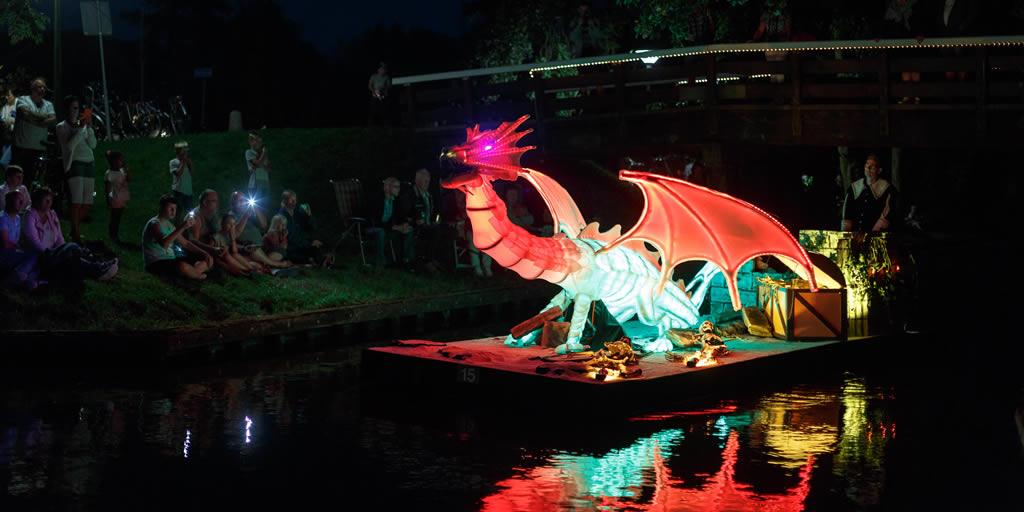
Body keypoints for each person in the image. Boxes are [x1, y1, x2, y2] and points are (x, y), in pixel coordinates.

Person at [21, 187, 117, 283]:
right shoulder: (30, 215)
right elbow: (33, 240)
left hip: (54, 253)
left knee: (71, 256)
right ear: (37, 200)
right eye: (46, 200)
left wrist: (63, 250)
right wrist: (53, 252)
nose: (49, 203)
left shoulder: (51, 214)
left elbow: (59, 237)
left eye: (50, 200)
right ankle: (99, 268)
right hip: (40, 256)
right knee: (73, 247)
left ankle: (99, 270)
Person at [55, 95, 98, 243]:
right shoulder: (62, 127)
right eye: (73, 107)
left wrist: (89, 129)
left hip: (89, 162)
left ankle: (74, 229)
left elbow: (93, 145)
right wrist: (80, 131)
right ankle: (76, 233)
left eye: (77, 108)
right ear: (67, 109)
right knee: (77, 201)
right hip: (75, 163)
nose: (76, 110)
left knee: (87, 203)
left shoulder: (83, 125)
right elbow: (68, 147)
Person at [142, 194, 212, 280]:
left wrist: (204, 253)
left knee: (205, 259)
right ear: (161, 207)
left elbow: (186, 243)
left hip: (171, 259)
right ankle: (196, 275)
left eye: (175, 208)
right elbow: (164, 243)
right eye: (170, 208)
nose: (173, 211)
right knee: (182, 266)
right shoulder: (154, 224)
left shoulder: (170, 225)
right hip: (156, 262)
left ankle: (190, 273)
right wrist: (182, 227)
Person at [11, 78, 56, 187]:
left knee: (29, 181)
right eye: (40, 87)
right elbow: (25, 115)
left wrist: (34, 119)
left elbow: (52, 120)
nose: (43, 89)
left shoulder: (48, 105)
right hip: (21, 148)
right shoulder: (22, 100)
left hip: (37, 149)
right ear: (32, 88)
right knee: (14, 180)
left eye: (44, 87)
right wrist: (43, 118)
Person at [228, 191, 290, 269]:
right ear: (232, 203)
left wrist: (256, 208)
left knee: (281, 248)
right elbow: (235, 233)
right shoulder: (230, 217)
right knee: (254, 249)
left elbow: (264, 225)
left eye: (244, 200)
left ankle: (263, 262)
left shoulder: (249, 214)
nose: (242, 203)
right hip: (248, 248)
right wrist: (245, 216)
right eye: (239, 201)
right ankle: (275, 264)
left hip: (262, 247)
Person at [842, 153, 900, 232]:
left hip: (875, 237)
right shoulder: (854, 187)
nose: (868, 168)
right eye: (867, 164)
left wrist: (873, 234)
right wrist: (847, 234)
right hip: (854, 236)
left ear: (879, 170)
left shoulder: (887, 189)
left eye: (872, 166)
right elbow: (847, 212)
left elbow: (887, 214)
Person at [365, 177, 414, 267]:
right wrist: (395, 227)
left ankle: (406, 260)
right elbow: (375, 221)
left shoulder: (395, 200)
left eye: (399, 187)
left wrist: (404, 224)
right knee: (381, 232)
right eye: (395, 187)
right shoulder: (376, 199)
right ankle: (380, 261)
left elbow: (402, 216)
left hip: (387, 228)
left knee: (409, 230)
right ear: (387, 187)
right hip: (372, 227)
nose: (398, 189)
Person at [277, 190, 331, 266]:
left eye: (295, 200)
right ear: (285, 201)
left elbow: (311, 227)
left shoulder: (298, 211)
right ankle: (314, 260)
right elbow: (291, 237)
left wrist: (309, 215)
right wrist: (309, 244)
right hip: (291, 247)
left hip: (302, 244)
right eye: (291, 200)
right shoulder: (281, 216)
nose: (294, 202)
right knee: (293, 255)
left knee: (317, 245)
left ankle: (320, 259)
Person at [0, 190, 41, 289]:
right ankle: (16, 277)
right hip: (3, 254)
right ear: (10, 201)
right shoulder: (2, 218)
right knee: (33, 256)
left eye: (23, 201)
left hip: (11, 252)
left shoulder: (18, 218)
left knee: (37, 258)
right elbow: (5, 243)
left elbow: (16, 241)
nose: (22, 203)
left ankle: (28, 280)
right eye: (19, 200)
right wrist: (19, 248)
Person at [751, 5, 792, 84]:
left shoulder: (784, 14)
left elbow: (788, 31)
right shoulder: (767, 14)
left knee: (777, 69)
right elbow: (760, 30)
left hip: (779, 44)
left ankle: (779, 91)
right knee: (775, 69)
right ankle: (778, 91)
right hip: (772, 45)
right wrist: (753, 39)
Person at [103, 150, 130, 243]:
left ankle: (115, 234)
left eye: (122, 161)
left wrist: (126, 170)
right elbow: (107, 188)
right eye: (120, 161)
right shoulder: (109, 173)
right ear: (113, 162)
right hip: (114, 199)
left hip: (122, 198)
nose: (121, 162)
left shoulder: (122, 171)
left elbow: (129, 179)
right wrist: (108, 199)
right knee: (114, 217)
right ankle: (113, 235)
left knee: (118, 217)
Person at [169, 141, 194, 222]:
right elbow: (178, 173)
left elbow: (192, 174)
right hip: (179, 191)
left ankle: (188, 229)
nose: (185, 153)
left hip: (188, 191)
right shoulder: (173, 162)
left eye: (186, 151)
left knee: (190, 213)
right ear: (178, 152)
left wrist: (190, 164)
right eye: (183, 151)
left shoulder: (187, 161)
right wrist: (183, 162)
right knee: (178, 213)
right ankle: (176, 230)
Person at [245, 132, 271, 201]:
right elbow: (257, 164)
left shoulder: (262, 154)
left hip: (264, 182)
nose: (258, 143)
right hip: (254, 185)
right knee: (254, 206)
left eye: (259, 141)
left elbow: (268, 168)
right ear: (250, 142)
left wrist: (265, 165)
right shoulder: (249, 152)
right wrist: (264, 153)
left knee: (264, 206)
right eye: (255, 140)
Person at [1, 88, 16, 167]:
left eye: (8, 95)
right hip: (7, 137)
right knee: (6, 163)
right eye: (6, 96)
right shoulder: (4, 107)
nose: (7, 97)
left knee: (5, 162)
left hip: (16, 138)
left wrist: (11, 121)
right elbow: (3, 120)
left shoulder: (19, 105)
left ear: (14, 96)